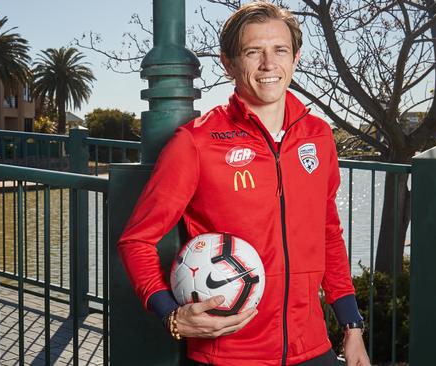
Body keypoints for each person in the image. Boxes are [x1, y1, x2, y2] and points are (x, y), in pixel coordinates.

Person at [118, 2, 371, 365]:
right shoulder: (196, 143)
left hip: (312, 348)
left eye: (280, 50)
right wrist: (170, 314)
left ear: (295, 57)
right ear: (229, 63)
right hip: (228, 355)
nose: (269, 64)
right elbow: (136, 240)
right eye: (254, 52)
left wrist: (352, 326)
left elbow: (328, 232)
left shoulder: (318, 136)